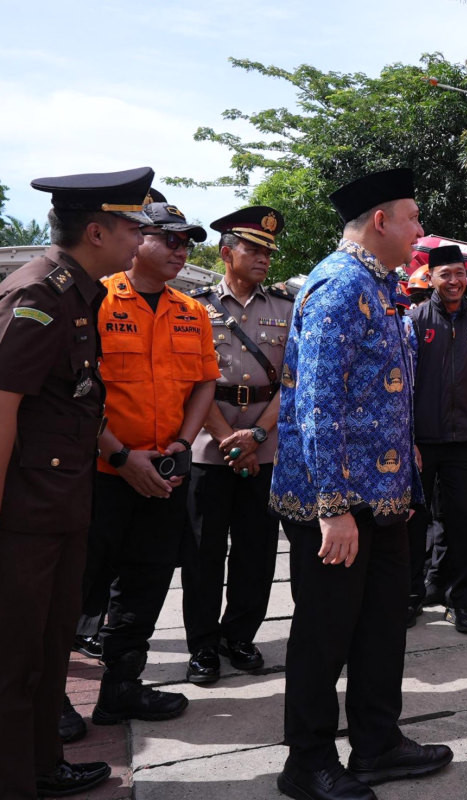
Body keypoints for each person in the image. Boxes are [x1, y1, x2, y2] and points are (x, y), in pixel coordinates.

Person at [268, 167, 452, 800]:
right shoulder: (340, 286)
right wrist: (333, 506)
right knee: (324, 634)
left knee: (379, 629)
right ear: (381, 221)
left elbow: (376, 394)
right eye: (413, 218)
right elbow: (318, 404)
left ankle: (377, 744)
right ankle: (308, 761)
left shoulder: (382, 286)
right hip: (340, 502)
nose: (419, 231)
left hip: (386, 498)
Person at [0, 168, 152, 799]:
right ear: (96, 231)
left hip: (59, 506)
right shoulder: (37, 294)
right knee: (13, 660)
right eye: (132, 226)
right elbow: (3, 405)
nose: (141, 238)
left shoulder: (79, 293)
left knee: (48, 649)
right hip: (24, 515)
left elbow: (73, 404)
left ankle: (42, 766)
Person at [81, 195, 220, 725]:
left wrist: (184, 444)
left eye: (187, 243)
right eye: (170, 239)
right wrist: (119, 455)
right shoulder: (97, 300)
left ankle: (122, 686)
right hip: (102, 473)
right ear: (136, 238)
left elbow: (206, 379)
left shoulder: (191, 312)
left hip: (164, 473)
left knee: (147, 581)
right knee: (78, 585)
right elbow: (77, 390)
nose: (181, 251)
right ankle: (49, 703)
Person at [180, 206, 292, 684]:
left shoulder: (286, 308)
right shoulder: (192, 306)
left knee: (256, 550)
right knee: (204, 553)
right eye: (254, 248)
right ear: (227, 252)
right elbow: (188, 382)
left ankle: (239, 635)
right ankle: (202, 646)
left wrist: (259, 436)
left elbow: (291, 380)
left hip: (264, 449)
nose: (265, 257)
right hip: (210, 447)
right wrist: (227, 439)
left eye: (269, 250)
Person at [407, 244, 467, 633]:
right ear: (432, 279)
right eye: (447, 274)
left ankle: (461, 602)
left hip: (465, 440)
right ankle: (409, 597)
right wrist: (406, 437)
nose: (455, 281)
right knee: (412, 523)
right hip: (421, 442)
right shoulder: (414, 319)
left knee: (462, 524)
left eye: (460, 273)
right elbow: (404, 384)